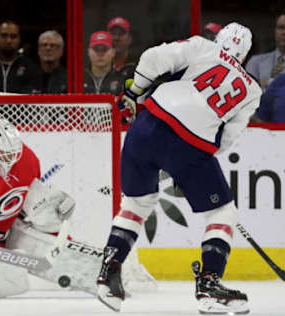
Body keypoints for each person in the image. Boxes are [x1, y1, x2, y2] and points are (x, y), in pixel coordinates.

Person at [96, 22, 261, 315]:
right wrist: (188, 165)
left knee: (136, 203)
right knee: (222, 211)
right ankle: (209, 282)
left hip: (145, 129)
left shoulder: (202, 46)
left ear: (219, 39)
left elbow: (152, 58)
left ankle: (109, 273)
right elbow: (227, 140)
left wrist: (136, 91)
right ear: (245, 56)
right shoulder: (251, 90)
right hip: (190, 148)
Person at [0, 118, 144, 299]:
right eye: (3, 153)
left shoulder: (28, 159)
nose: (9, 159)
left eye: (13, 153)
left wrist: (51, 208)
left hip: (8, 233)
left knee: (46, 245)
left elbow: (27, 205)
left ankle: (106, 278)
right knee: (1, 272)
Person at [246, 13, 285, 90]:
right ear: (275, 31)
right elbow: (247, 90)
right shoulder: (256, 61)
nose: (284, 32)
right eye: (281, 28)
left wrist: (265, 83)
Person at [84, 31, 123, 95]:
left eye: (105, 49)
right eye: (96, 49)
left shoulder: (122, 80)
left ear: (113, 52)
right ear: (88, 51)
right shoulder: (78, 80)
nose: (100, 54)